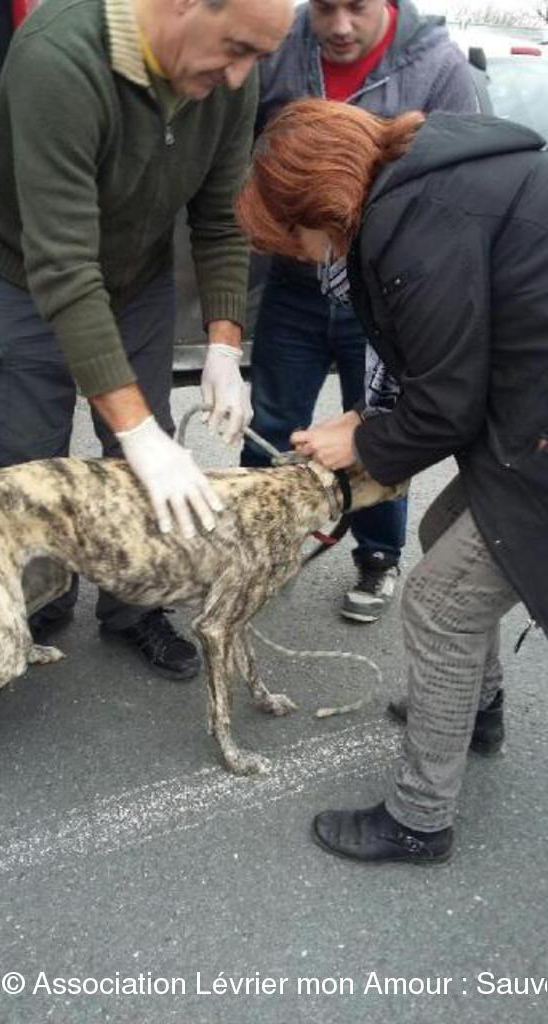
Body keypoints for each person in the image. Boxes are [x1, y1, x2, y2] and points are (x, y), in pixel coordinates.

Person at [235, 98, 548, 863]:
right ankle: (476, 710)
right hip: (529, 401)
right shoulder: (416, 176)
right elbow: (449, 359)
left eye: (293, 239)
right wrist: (363, 422)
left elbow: (446, 408)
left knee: (440, 601)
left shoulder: (413, 229)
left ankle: (419, 819)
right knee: (447, 531)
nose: (300, 257)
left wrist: (361, 441)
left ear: (320, 205)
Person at [0, 0, 294, 680]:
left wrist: (224, 343)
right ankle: (40, 597)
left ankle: (133, 606)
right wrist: (138, 429)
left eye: (257, 58)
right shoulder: (58, 57)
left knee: (145, 460)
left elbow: (221, 217)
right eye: (236, 48)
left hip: (137, 278)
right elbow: (63, 266)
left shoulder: (227, 71)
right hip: (21, 275)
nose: (241, 77)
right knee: (32, 459)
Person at [240, 0, 479, 625]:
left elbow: (431, 407)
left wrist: (368, 425)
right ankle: (261, 547)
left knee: (384, 423)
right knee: (274, 418)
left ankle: (377, 555)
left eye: (357, 8)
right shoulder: (278, 49)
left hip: (388, 284)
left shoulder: (440, 68)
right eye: (326, 8)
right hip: (295, 288)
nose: (341, 26)